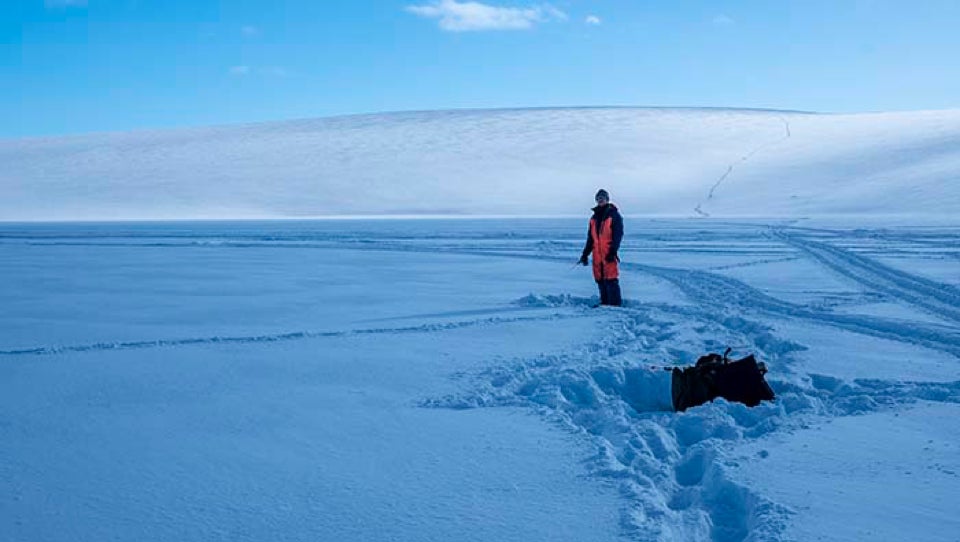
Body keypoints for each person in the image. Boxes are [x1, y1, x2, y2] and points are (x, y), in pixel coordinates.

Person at [579, 189, 623, 306]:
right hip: (597, 254)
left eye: (602, 198)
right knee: (600, 278)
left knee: (611, 278)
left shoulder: (614, 215)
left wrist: (613, 251)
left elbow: (618, 235)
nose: (600, 200)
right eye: (598, 198)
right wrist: (585, 254)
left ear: (607, 200)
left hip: (608, 252)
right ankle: (605, 303)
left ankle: (615, 304)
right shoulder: (594, 218)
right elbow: (590, 239)